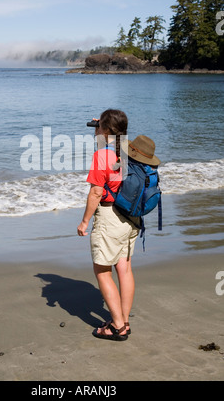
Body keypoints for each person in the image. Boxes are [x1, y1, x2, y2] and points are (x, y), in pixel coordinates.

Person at [77, 109, 160, 341]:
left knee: (102, 270)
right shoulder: (131, 150)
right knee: (124, 268)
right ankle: (123, 319)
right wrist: (103, 126)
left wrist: (85, 221)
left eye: (99, 128)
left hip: (110, 217)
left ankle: (117, 327)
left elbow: (96, 192)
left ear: (104, 130)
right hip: (131, 218)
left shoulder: (102, 155)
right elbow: (113, 146)